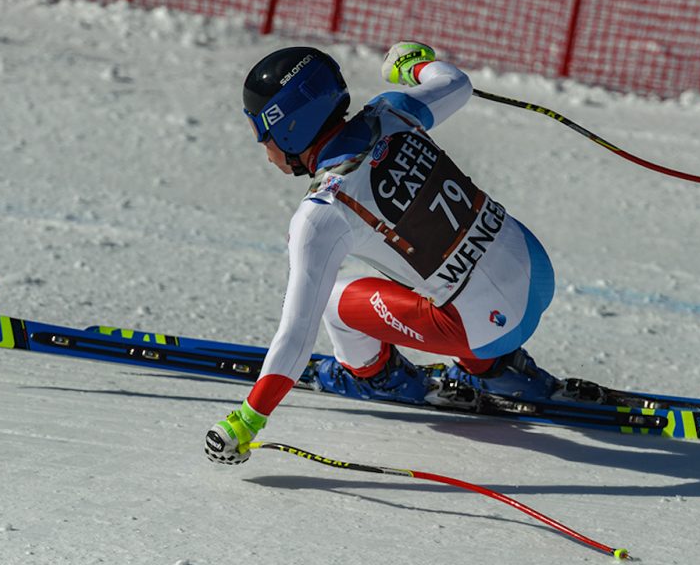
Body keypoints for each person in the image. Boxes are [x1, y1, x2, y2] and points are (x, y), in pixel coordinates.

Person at [205, 42, 560, 465]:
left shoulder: (321, 214)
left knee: (334, 303)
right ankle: (495, 369)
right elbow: (454, 84)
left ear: (289, 128)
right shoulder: (391, 112)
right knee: (427, 262)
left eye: (262, 133)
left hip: (489, 326)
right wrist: (414, 65)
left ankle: (379, 378)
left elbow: (296, 337)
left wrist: (248, 420)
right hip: (537, 271)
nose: (263, 149)